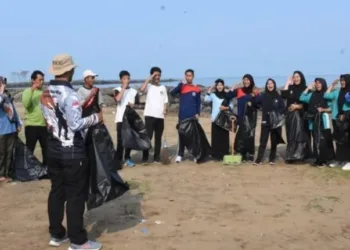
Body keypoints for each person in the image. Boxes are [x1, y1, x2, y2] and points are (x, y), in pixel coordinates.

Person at [40, 54, 103, 250]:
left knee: (57, 192)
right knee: (75, 196)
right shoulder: (70, 94)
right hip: (72, 151)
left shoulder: (46, 92)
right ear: (69, 71)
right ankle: (78, 240)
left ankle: (57, 233)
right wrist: (95, 118)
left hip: (53, 149)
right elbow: (75, 124)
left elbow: (50, 120)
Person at [300, 78, 335, 167]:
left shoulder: (326, 95)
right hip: (313, 121)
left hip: (323, 121)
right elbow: (302, 98)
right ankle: (319, 159)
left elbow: (331, 108)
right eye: (316, 83)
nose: (318, 84)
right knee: (317, 141)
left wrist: (323, 109)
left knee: (324, 141)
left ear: (323, 84)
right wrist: (308, 88)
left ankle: (326, 160)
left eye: (319, 83)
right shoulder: (312, 95)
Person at [225, 74, 259, 163]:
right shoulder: (239, 90)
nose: (246, 81)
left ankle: (250, 154)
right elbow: (228, 96)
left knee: (250, 136)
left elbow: (258, 104)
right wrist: (233, 88)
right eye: (244, 80)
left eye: (248, 80)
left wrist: (253, 103)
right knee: (242, 136)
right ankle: (243, 154)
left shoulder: (254, 91)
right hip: (242, 117)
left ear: (251, 81)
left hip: (252, 117)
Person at [170, 69, 201, 163]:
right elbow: (172, 93)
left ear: (193, 76)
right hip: (182, 115)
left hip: (193, 116)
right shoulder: (182, 87)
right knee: (182, 135)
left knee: (193, 136)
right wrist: (180, 84)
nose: (189, 77)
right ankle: (180, 155)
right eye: (187, 75)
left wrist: (198, 113)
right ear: (185, 76)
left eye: (190, 75)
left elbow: (198, 102)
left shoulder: (197, 89)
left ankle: (195, 154)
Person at [139, 67, 169, 165]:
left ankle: (156, 158)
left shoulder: (163, 88)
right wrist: (149, 78)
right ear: (152, 76)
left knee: (158, 138)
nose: (157, 77)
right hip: (149, 115)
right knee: (148, 137)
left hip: (160, 117)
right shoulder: (149, 86)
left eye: (159, 75)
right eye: (155, 75)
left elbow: (165, 101)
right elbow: (141, 89)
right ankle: (145, 157)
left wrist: (165, 109)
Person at [252, 78, 285, 165]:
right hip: (265, 121)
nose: (270, 85)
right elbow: (254, 102)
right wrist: (256, 97)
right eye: (268, 84)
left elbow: (282, 108)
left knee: (274, 142)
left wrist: (276, 114)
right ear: (266, 85)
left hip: (275, 123)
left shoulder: (278, 96)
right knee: (263, 141)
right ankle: (258, 160)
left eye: (271, 83)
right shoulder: (263, 95)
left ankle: (272, 159)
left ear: (274, 85)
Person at [281, 71, 309, 163]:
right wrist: (287, 83)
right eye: (294, 77)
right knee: (290, 135)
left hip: (300, 116)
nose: (296, 78)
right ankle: (291, 156)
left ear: (301, 77)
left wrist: (297, 106)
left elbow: (308, 104)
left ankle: (300, 156)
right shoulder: (291, 88)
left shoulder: (305, 88)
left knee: (300, 135)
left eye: (298, 76)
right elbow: (283, 95)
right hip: (290, 116)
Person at [22, 70, 47, 166]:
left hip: (44, 125)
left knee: (46, 149)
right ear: (33, 80)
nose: (42, 82)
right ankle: (27, 170)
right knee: (29, 150)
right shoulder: (27, 91)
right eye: (40, 80)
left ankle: (45, 170)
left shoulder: (43, 93)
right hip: (31, 125)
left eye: (43, 80)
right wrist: (33, 89)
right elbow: (26, 104)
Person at [325, 74, 350, 169]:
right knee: (339, 140)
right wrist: (332, 85)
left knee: (347, 140)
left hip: (347, 119)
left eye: (344, 80)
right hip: (337, 119)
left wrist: (345, 114)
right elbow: (326, 95)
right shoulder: (338, 91)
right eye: (341, 80)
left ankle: (348, 161)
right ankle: (340, 160)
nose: (342, 82)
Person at [114, 70, 138, 167]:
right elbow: (117, 99)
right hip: (120, 118)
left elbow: (137, 104)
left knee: (130, 139)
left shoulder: (134, 91)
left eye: (128, 78)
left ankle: (127, 158)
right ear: (120, 80)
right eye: (124, 78)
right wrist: (123, 87)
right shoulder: (117, 89)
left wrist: (133, 105)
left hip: (130, 118)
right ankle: (119, 159)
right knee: (120, 141)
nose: (126, 80)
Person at [0, 76, 22, 183]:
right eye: (1, 83)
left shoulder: (7, 95)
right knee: (1, 153)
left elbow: (12, 110)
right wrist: (1, 91)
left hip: (10, 128)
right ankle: (1, 174)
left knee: (9, 153)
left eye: (3, 83)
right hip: (1, 130)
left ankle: (7, 174)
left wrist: (18, 123)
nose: (3, 84)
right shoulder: (1, 95)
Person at [204, 79, 231, 161]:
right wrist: (209, 90)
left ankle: (224, 153)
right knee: (216, 137)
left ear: (223, 86)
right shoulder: (213, 95)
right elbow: (206, 99)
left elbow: (231, 106)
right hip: (215, 119)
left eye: (221, 85)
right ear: (216, 86)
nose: (219, 86)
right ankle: (216, 154)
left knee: (224, 137)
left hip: (224, 119)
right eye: (218, 85)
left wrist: (225, 107)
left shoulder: (227, 95)